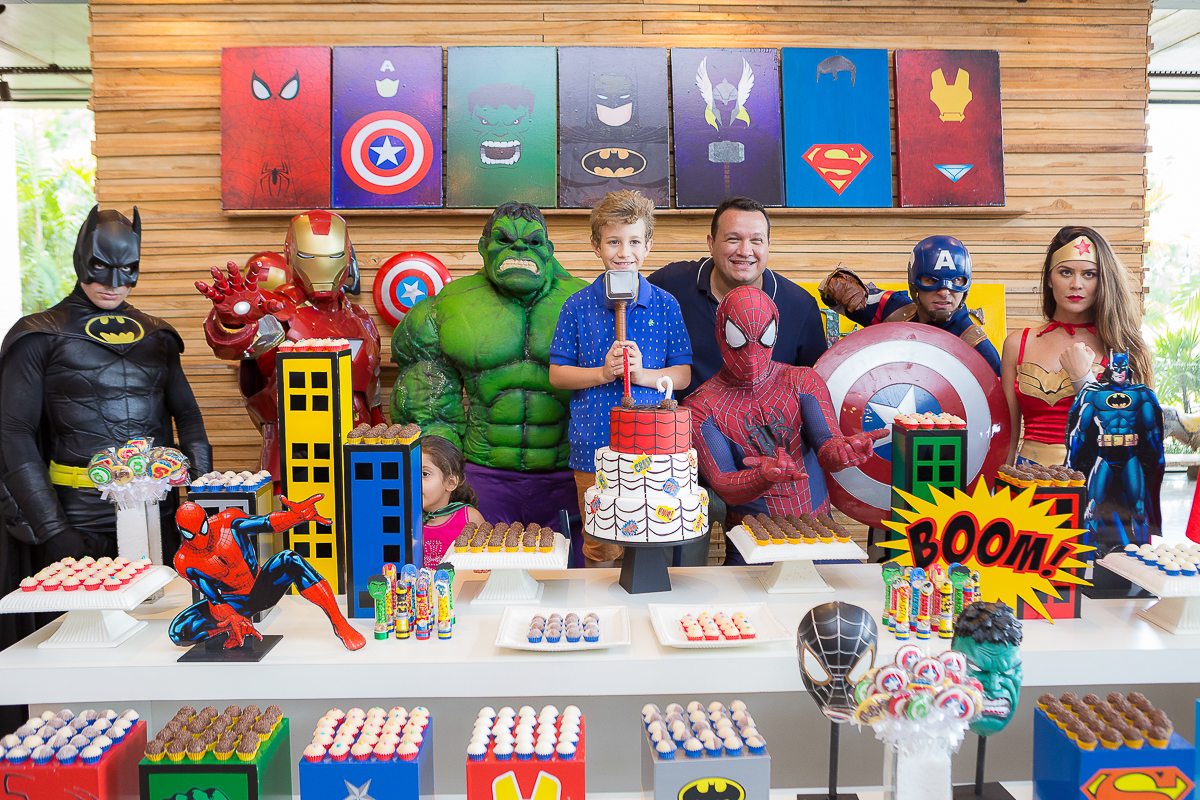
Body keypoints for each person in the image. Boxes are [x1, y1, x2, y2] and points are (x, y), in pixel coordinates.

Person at [0, 205, 212, 576]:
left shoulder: (157, 335)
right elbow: (14, 433)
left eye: (127, 270)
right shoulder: (38, 335)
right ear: (80, 259)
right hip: (77, 521)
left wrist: (202, 503)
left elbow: (189, 418)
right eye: (100, 266)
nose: (114, 283)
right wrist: (53, 529)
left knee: (163, 610)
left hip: (157, 516)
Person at [391, 202, 587, 532]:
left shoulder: (587, 304)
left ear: (549, 250)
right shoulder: (447, 308)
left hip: (570, 472)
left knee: (572, 565)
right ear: (483, 247)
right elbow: (429, 410)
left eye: (533, 242)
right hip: (483, 475)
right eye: (504, 240)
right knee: (476, 564)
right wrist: (444, 491)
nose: (520, 248)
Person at [683, 286, 883, 565]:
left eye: (763, 339)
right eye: (737, 338)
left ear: (775, 333)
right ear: (721, 333)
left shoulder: (802, 381)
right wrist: (761, 477)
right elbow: (723, 482)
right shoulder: (701, 407)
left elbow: (827, 444)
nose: (752, 355)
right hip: (751, 543)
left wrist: (843, 451)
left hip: (822, 537)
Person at [549, 190, 692, 567]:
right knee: (601, 545)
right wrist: (602, 372)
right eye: (613, 241)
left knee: (652, 539)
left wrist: (642, 374)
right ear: (596, 246)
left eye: (634, 241)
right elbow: (558, 375)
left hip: (654, 451)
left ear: (648, 246)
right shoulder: (576, 306)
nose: (624, 252)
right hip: (593, 450)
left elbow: (682, 375)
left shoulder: (666, 305)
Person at [196, 210, 382, 478]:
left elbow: (373, 397)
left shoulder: (361, 320)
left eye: (334, 256)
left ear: (347, 255)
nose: (322, 266)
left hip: (358, 453)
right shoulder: (276, 311)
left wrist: (382, 444)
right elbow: (234, 342)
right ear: (291, 254)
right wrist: (233, 319)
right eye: (309, 256)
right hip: (294, 457)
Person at [647, 196, 828, 401]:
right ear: (711, 243)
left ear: (768, 245)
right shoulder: (669, 285)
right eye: (733, 239)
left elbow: (816, 390)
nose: (745, 251)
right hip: (681, 419)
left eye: (756, 240)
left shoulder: (800, 307)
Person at [1001, 227, 1151, 466]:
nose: (1076, 284)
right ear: (1049, 279)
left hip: (1094, 481)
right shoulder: (1018, 343)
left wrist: (1083, 377)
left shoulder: (1123, 347)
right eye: (1065, 272)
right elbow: (1006, 439)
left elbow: (1129, 439)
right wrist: (1001, 483)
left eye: (1089, 274)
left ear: (1103, 281)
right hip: (1027, 482)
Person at [172, 494, 365, 650]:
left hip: (261, 588)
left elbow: (265, 523)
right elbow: (214, 598)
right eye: (190, 534)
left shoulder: (228, 522)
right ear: (181, 531)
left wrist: (297, 516)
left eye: (203, 529)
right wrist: (232, 617)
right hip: (235, 602)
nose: (200, 539)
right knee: (178, 631)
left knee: (290, 559)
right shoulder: (184, 560)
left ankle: (339, 623)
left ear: (206, 520)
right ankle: (234, 628)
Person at [819, 235, 1001, 375]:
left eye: (956, 281)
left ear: (965, 286)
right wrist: (835, 283)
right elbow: (830, 294)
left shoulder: (980, 352)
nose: (944, 292)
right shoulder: (893, 310)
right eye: (931, 280)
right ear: (914, 285)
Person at [420, 435, 485, 568]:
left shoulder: (470, 518)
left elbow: (486, 562)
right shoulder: (404, 520)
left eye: (425, 474)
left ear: (450, 482)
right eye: (409, 473)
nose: (414, 481)